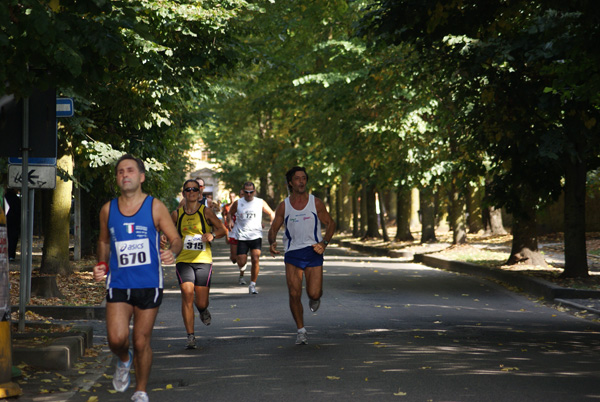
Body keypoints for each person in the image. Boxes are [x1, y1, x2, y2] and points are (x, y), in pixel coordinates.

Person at [93, 154, 182, 402]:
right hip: (119, 284)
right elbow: (103, 240)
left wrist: (171, 252)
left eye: (130, 170)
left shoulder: (155, 207)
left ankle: (140, 391)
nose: (125, 175)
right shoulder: (108, 209)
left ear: (141, 177)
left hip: (149, 284)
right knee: (116, 339)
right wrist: (101, 264)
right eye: (120, 171)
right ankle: (123, 359)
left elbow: (175, 238)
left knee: (141, 340)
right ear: (117, 179)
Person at [268, 167, 336, 345]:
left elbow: (330, 224)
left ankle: (315, 298)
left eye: (304, 178)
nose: (301, 181)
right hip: (293, 252)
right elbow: (274, 227)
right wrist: (272, 241)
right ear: (291, 182)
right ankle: (301, 330)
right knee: (294, 293)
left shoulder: (316, 203)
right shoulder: (284, 205)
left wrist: (324, 243)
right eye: (297, 178)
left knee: (314, 293)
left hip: (313, 250)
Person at [168, 179, 226, 349]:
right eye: (188, 189)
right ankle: (190, 336)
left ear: (199, 193)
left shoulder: (205, 212)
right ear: (183, 193)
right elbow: (167, 232)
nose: (191, 192)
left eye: (194, 189)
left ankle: (202, 310)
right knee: (186, 294)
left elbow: (223, 230)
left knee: (201, 302)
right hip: (183, 260)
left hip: (203, 260)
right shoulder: (176, 214)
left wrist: (212, 235)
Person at [227, 182, 275, 294]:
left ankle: (252, 284)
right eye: (246, 192)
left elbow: (271, 213)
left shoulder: (260, 202)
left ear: (254, 191)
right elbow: (230, 213)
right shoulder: (238, 203)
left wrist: (273, 223)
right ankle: (243, 268)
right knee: (241, 261)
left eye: (251, 192)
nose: (249, 194)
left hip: (256, 235)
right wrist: (230, 221)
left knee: (255, 259)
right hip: (242, 236)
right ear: (243, 191)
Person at [4, 188, 21, 261]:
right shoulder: (16, 199)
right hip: (14, 222)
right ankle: (11, 255)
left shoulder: (4, 198)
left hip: (4, 221)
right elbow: (19, 211)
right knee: (13, 239)